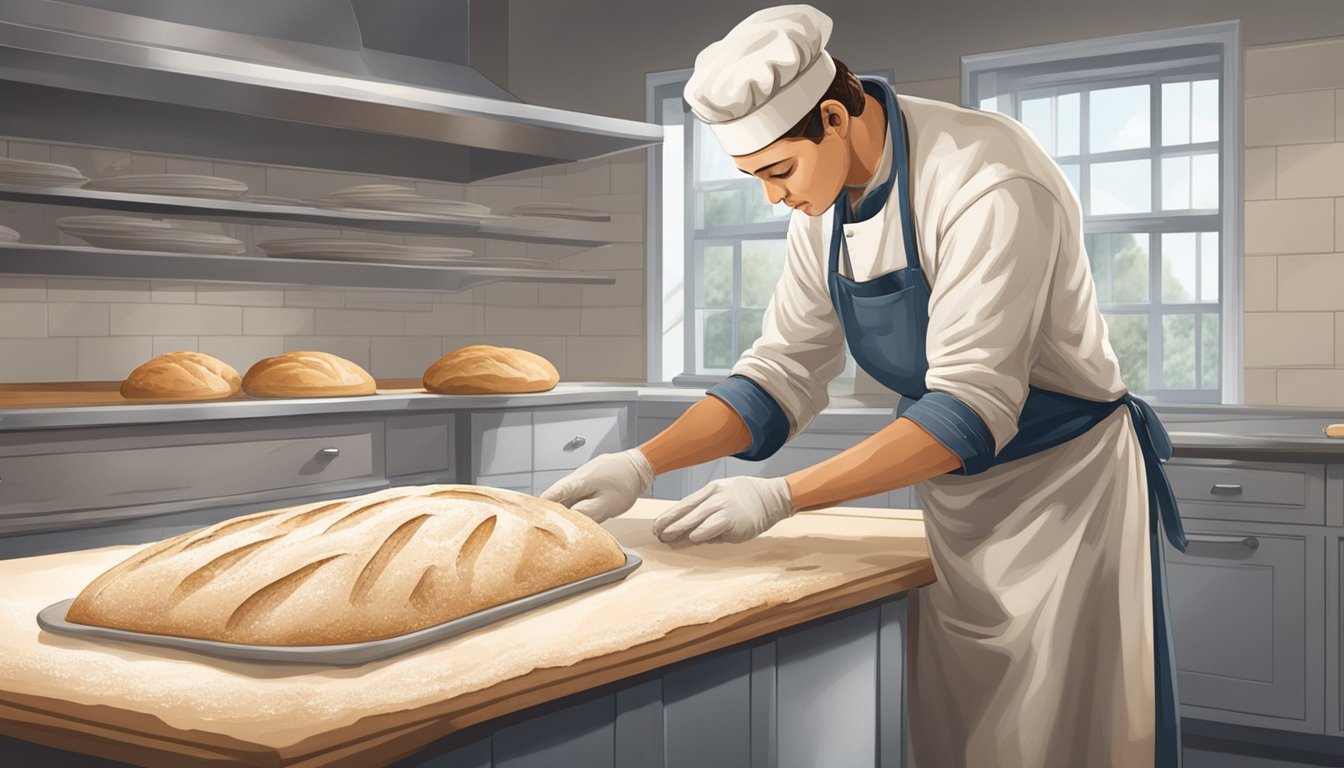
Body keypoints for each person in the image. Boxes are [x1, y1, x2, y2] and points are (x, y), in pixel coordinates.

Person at [540, 5, 1188, 767]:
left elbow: (969, 409)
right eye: (754, 179)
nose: (773, 198)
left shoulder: (987, 179)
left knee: (1055, 735)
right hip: (958, 501)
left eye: (777, 172)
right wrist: (640, 463)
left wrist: (780, 497)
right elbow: (780, 373)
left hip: (1064, 500)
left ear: (836, 115)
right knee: (953, 729)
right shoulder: (822, 205)